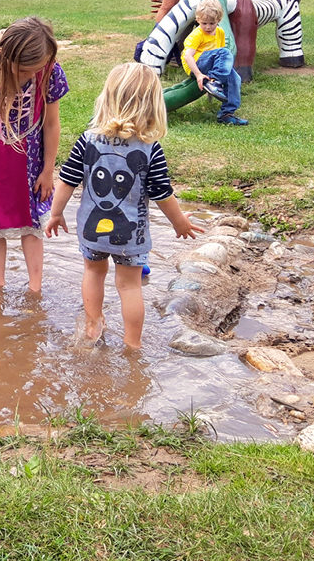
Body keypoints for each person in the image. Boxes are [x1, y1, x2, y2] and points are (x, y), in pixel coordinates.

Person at [46, 63, 199, 348]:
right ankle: (133, 345)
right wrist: (179, 223)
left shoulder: (87, 140)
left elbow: (67, 178)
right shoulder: (150, 148)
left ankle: (92, 326)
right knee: (129, 286)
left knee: (93, 272)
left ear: (107, 99)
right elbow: (162, 193)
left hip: (92, 232)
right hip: (132, 237)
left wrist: (56, 214)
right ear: (154, 106)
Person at [0, 17, 68, 293]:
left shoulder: (50, 73)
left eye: (35, 70)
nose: (30, 76)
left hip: (31, 164)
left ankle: (35, 288)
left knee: (32, 224)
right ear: (4, 57)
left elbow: (52, 124)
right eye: (23, 71)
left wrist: (48, 170)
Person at [183, 0, 247, 125]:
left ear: (219, 20)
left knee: (235, 78)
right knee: (224, 52)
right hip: (196, 65)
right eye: (204, 23)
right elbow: (188, 56)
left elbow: (220, 56)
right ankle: (214, 81)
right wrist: (198, 75)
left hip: (212, 66)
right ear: (198, 20)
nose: (207, 27)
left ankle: (226, 113)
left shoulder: (220, 32)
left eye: (212, 23)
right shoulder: (196, 35)